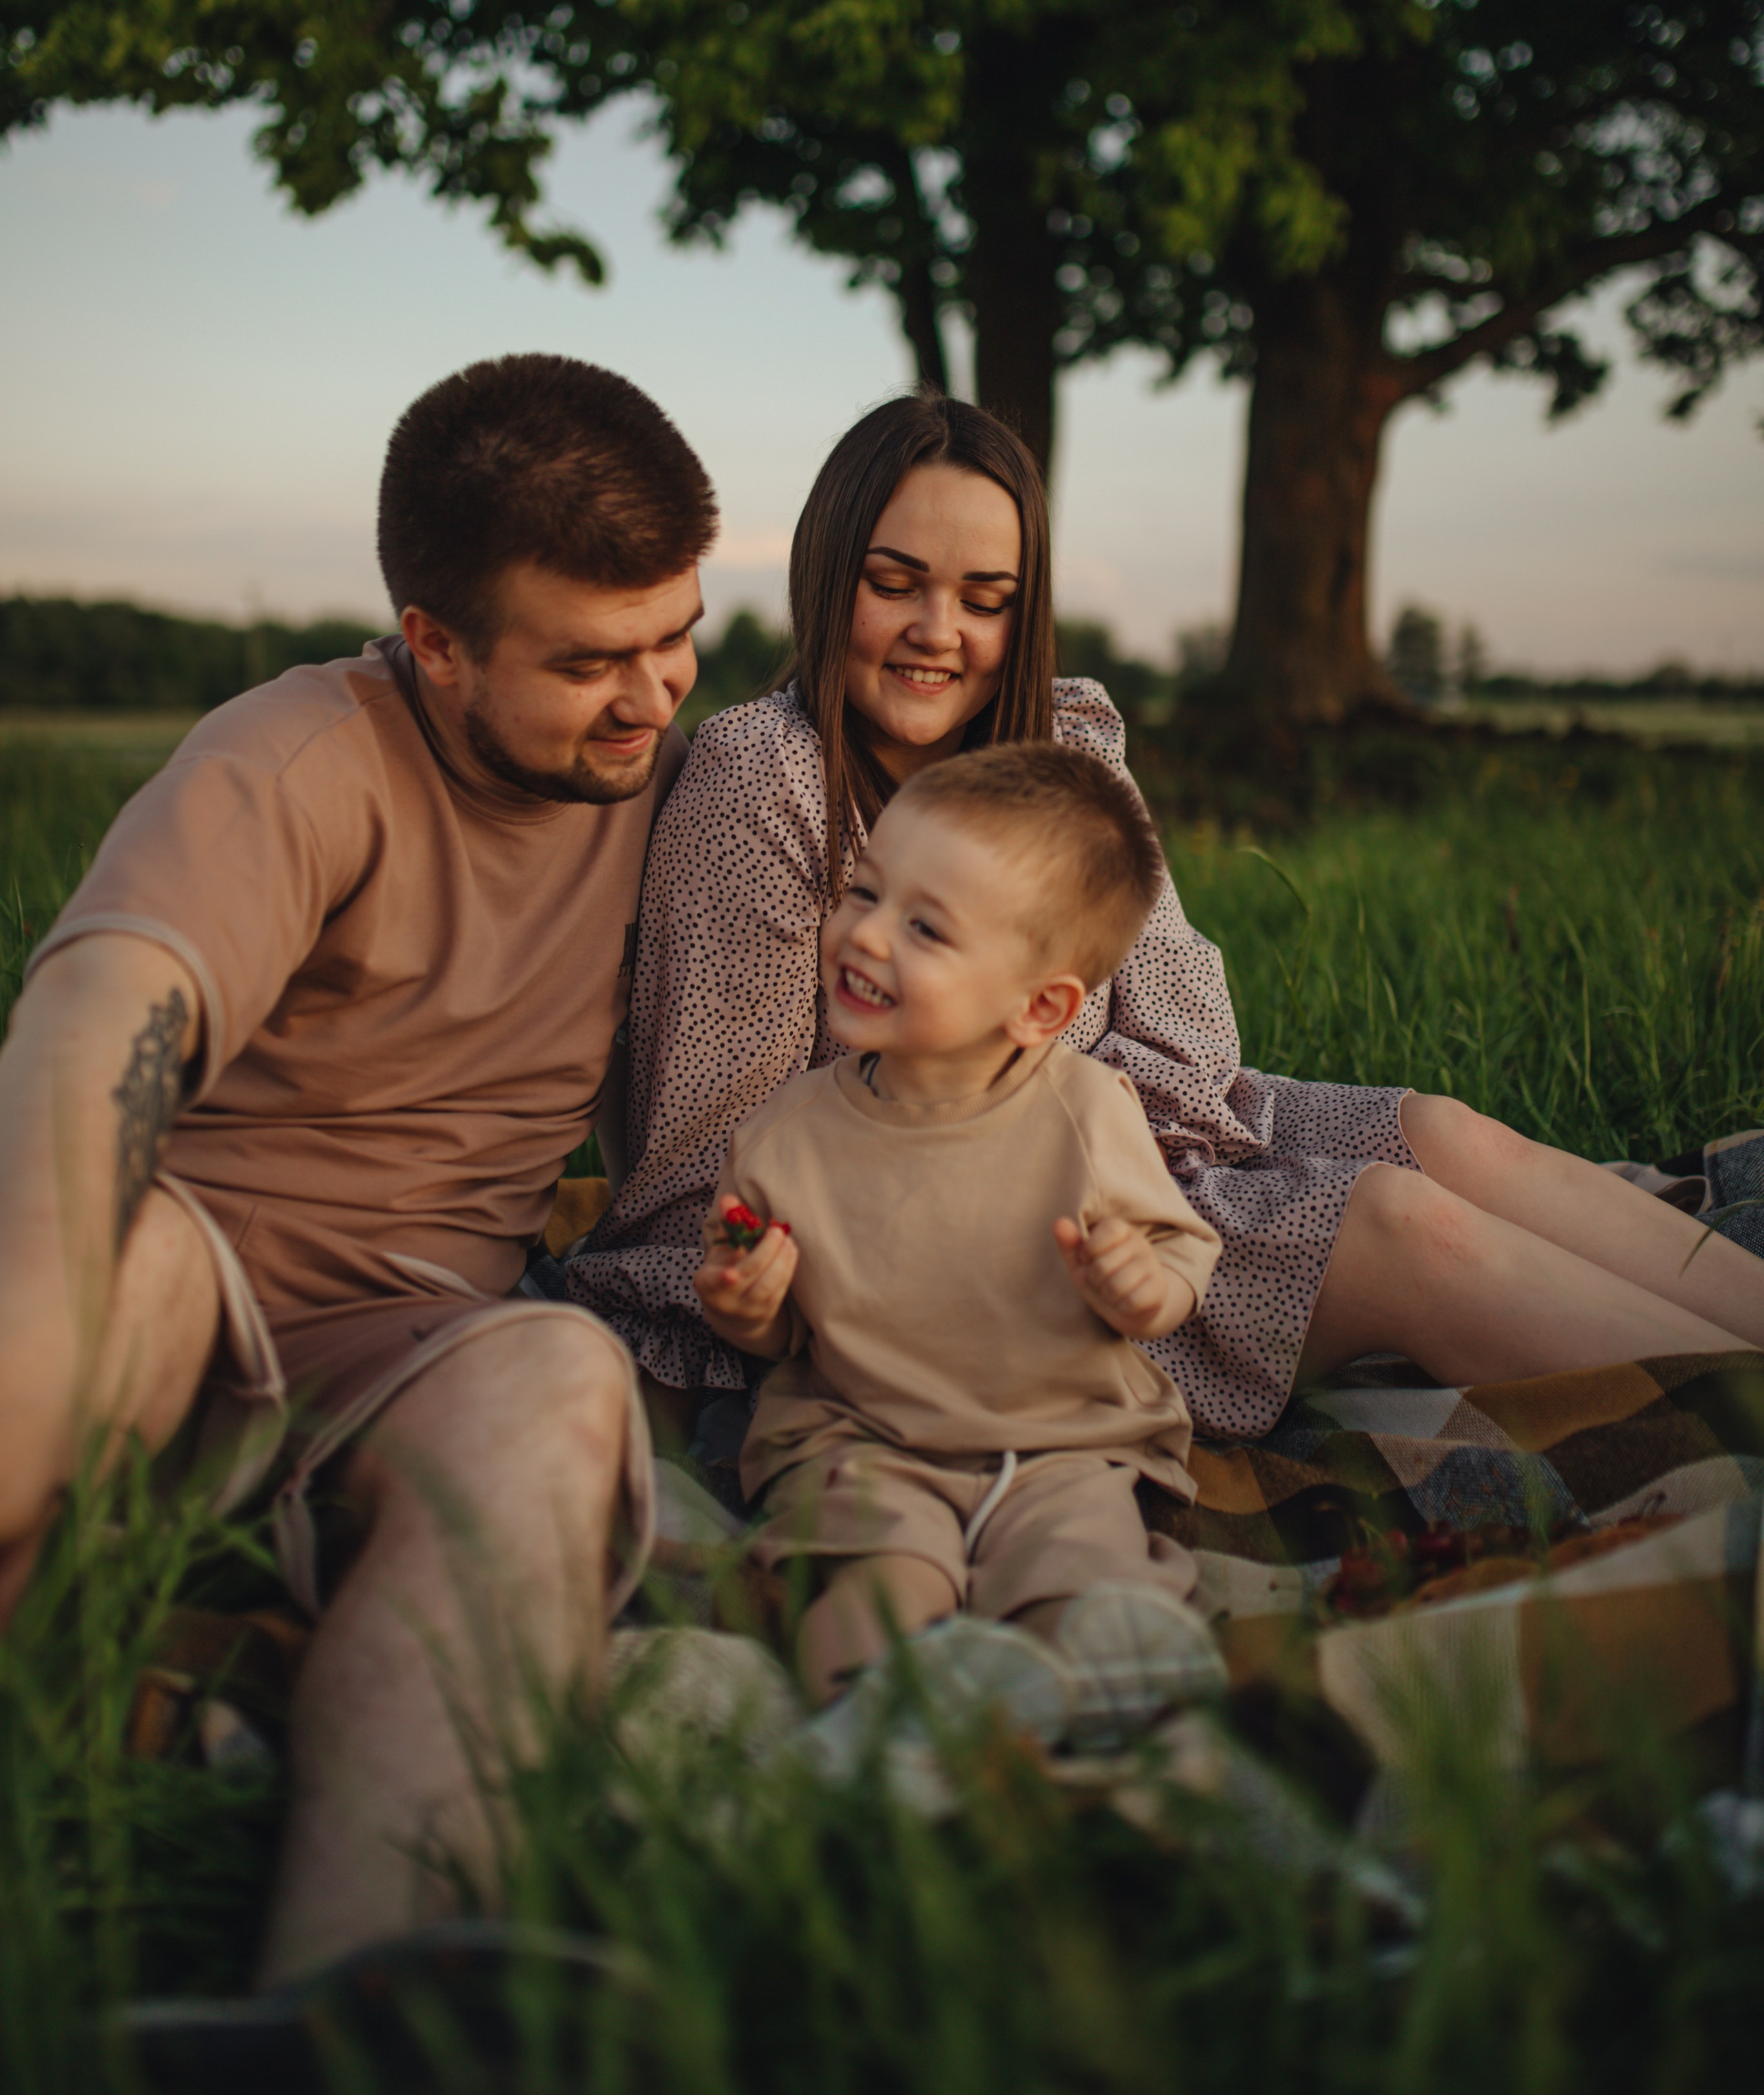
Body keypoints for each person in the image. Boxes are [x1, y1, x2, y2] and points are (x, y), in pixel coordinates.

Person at [570, 390, 1764, 1442]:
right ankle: (1739, 1421)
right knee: (1401, 1228)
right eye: (897, 586)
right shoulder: (764, 780)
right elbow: (705, 1177)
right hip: (972, 1237)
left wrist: (1157, 1149)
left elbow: (1193, 1026)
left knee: (1447, 1136)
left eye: (986, 599)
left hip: (1144, 1140)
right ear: (830, 575)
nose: (942, 633)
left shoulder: (1059, 745)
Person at [0, 353, 716, 1986]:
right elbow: (101, 1028)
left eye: (680, 633)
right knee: (135, 1274)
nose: (654, 693)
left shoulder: (691, 786)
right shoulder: (295, 761)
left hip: (405, 1343)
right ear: (437, 646)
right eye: (593, 658)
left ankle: (358, 2005)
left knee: (556, 1371)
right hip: (167, 1282)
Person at [695, 742, 1221, 1714]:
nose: (866, 936)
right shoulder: (785, 1136)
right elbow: (779, 1326)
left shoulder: (1088, 1108)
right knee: (884, 1586)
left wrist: (1145, 1289)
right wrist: (744, 1305)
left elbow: (1179, 1250)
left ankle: (1107, 1695)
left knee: (1081, 1572)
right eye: (864, 892)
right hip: (869, 1440)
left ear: (1041, 1007)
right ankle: (873, 1721)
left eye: (926, 929)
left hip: (1063, 1443)